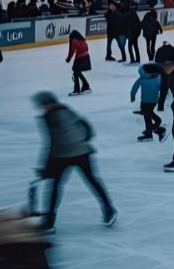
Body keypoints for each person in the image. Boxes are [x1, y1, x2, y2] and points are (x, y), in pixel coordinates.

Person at [32, 91, 116, 230]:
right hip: (83, 151)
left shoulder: (50, 117)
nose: (42, 108)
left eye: (42, 105)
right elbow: (87, 127)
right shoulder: (67, 110)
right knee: (92, 181)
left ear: (47, 104)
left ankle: (49, 221)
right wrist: (83, 141)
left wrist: (46, 167)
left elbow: (52, 142)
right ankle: (109, 209)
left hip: (65, 154)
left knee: (54, 186)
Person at [130, 63, 166, 141]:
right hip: (154, 100)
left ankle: (149, 133)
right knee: (148, 113)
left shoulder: (142, 78)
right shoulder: (158, 77)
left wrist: (132, 96)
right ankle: (152, 127)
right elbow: (162, 88)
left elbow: (134, 88)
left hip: (145, 100)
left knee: (147, 116)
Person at [64, 30, 92, 96]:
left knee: (76, 73)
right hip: (86, 57)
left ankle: (77, 89)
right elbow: (86, 48)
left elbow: (71, 50)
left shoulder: (74, 41)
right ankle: (86, 86)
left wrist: (68, 59)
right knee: (77, 72)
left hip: (80, 58)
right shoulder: (82, 40)